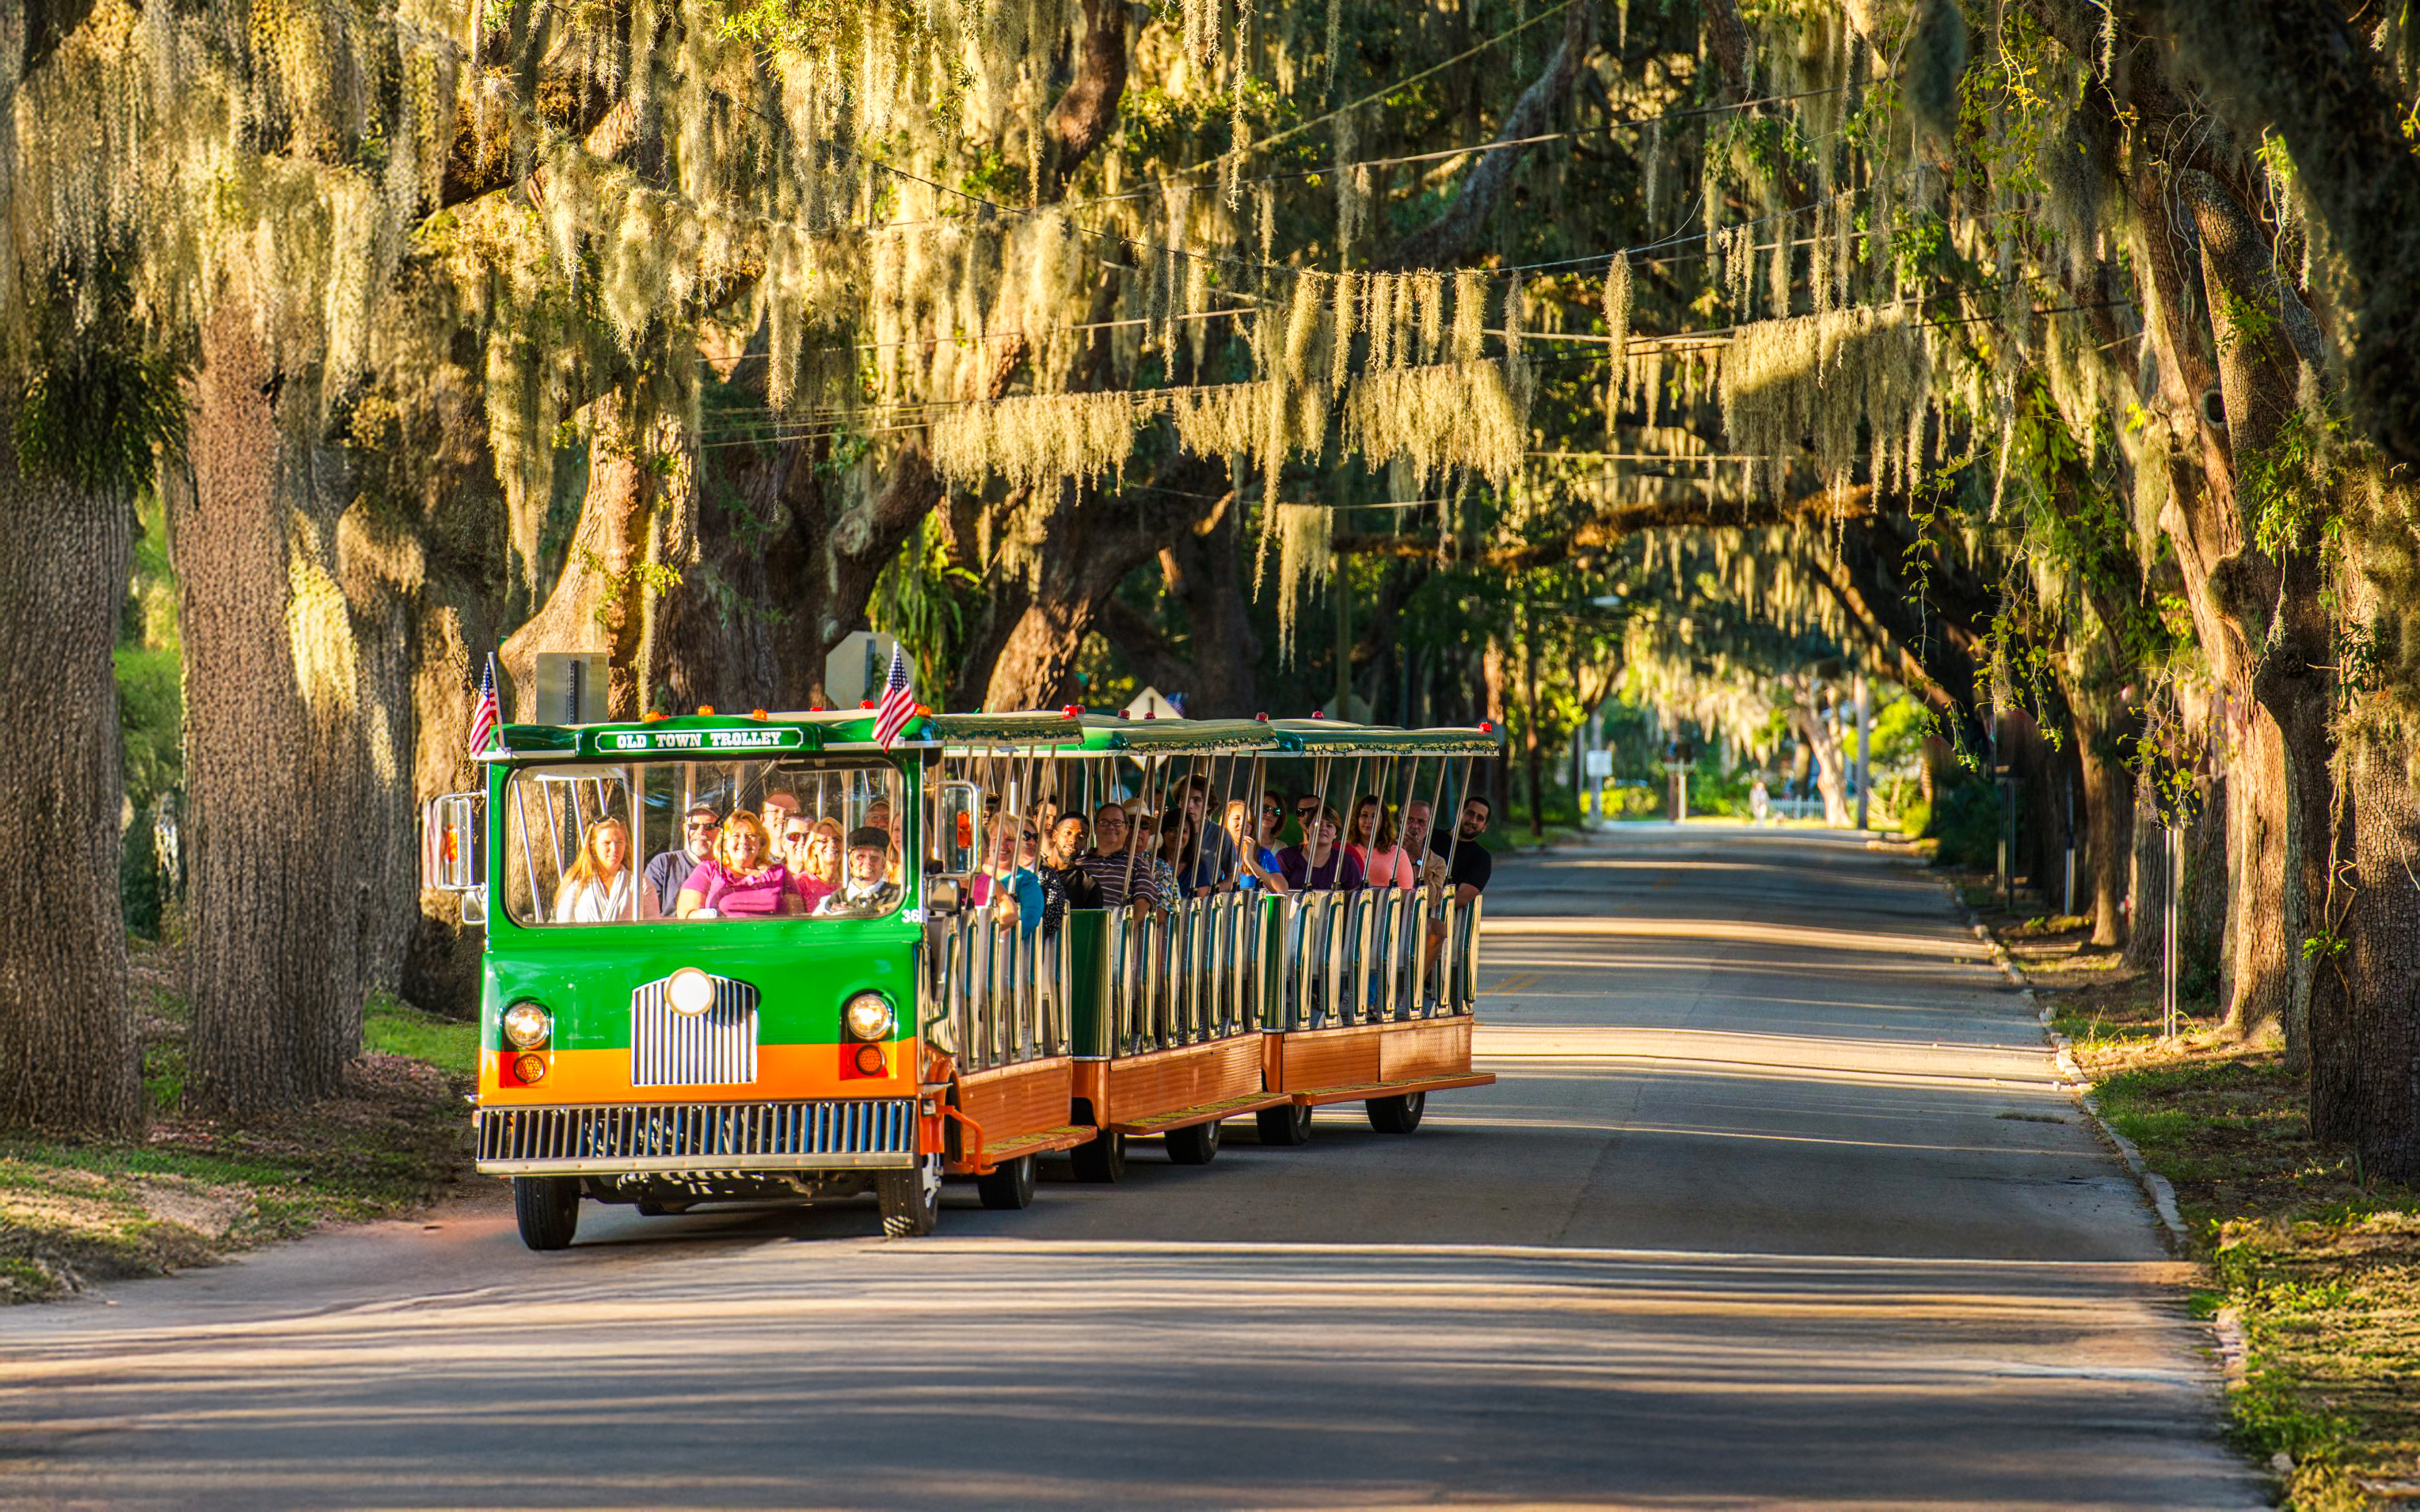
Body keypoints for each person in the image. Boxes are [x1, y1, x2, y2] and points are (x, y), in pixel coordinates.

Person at [675, 810, 793, 917]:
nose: (743, 841)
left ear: (761, 842)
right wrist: (711, 916)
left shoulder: (779, 872)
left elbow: (796, 916)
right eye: (736, 836)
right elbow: (686, 914)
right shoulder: (709, 870)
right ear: (724, 844)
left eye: (751, 835)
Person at [645, 804, 720, 917]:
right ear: (685, 829)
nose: (700, 832)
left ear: (720, 831)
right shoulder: (664, 863)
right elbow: (646, 912)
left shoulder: (727, 869)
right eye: (694, 826)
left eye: (709, 826)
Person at [554, 817, 634, 922]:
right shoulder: (576, 886)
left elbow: (652, 931)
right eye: (606, 843)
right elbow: (563, 932)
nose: (614, 849)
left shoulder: (639, 885)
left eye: (619, 842)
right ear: (593, 846)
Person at [1036, 813, 1102, 936]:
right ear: (1055, 836)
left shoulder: (1088, 885)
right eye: (1068, 833)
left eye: (1081, 836)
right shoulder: (1034, 870)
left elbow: (1090, 932)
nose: (1073, 840)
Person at [1278, 803, 1366, 892]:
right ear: (1307, 828)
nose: (1323, 828)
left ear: (1336, 833)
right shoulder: (1285, 857)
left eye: (1329, 826)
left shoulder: (1346, 863)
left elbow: (1352, 900)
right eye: (1318, 823)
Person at [818, 827, 903, 917]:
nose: (868, 862)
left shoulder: (900, 898)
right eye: (860, 856)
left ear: (883, 865)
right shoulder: (831, 901)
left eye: (874, 858)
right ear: (850, 863)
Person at [1427, 794, 1494, 903]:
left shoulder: (1481, 858)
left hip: (1443, 914)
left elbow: (1463, 897)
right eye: (1470, 814)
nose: (1473, 821)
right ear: (1458, 813)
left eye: (1480, 818)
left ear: (1484, 827)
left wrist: (1426, 898)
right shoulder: (1430, 836)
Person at [1180, 774, 1238, 895]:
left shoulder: (1220, 835)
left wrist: (1212, 890)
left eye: (1196, 800)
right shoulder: (1168, 831)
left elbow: (1233, 876)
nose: (1189, 805)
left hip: (1205, 903)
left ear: (1208, 805)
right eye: (1184, 798)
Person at [1345, 795, 1416, 890]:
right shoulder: (1345, 850)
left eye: (1374, 817)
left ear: (1383, 821)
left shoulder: (1398, 853)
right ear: (1356, 819)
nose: (1369, 821)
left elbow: (1406, 892)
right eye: (1364, 815)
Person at [1220, 799, 1287, 893]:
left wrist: (1250, 861)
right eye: (1237, 818)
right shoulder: (1214, 851)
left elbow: (1282, 890)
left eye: (1249, 821)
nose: (1243, 824)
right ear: (1225, 822)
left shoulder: (1263, 854)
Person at [784, 816, 843, 913]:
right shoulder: (800, 883)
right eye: (824, 841)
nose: (832, 845)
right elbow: (796, 923)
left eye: (837, 840)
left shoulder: (850, 883)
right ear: (813, 848)